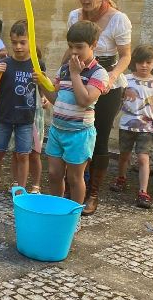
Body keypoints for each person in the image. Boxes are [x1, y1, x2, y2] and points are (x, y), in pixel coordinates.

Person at [65, 0, 132, 215]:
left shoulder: (118, 19)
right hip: (79, 78)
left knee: (98, 137)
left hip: (107, 84)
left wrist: (112, 78)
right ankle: (73, 185)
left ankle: (92, 193)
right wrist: (59, 75)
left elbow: (126, 55)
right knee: (73, 131)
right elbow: (71, 50)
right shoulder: (74, 16)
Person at [39, 20, 110, 205]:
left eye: (79, 47)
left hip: (79, 134)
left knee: (74, 178)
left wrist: (76, 75)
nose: (74, 52)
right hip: (57, 130)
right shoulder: (65, 69)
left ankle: (73, 216)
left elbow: (84, 100)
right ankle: (57, 209)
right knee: (54, 174)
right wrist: (41, 83)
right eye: (70, 47)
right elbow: (56, 98)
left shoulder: (99, 73)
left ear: (93, 45)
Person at [0, 19, 44, 204]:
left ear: (30, 41)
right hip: (4, 117)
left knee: (23, 155)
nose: (18, 46)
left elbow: (45, 92)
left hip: (25, 119)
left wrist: (42, 82)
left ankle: (20, 193)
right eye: (14, 42)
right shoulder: (5, 64)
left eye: (22, 42)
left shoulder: (37, 65)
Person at [109, 44, 153, 208]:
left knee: (143, 158)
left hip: (146, 127)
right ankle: (121, 178)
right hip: (127, 124)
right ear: (134, 62)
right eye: (141, 62)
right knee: (124, 156)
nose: (144, 65)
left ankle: (143, 191)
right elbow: (118, 101)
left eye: (148, 62)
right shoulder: (125, 80)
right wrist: (112, 118)